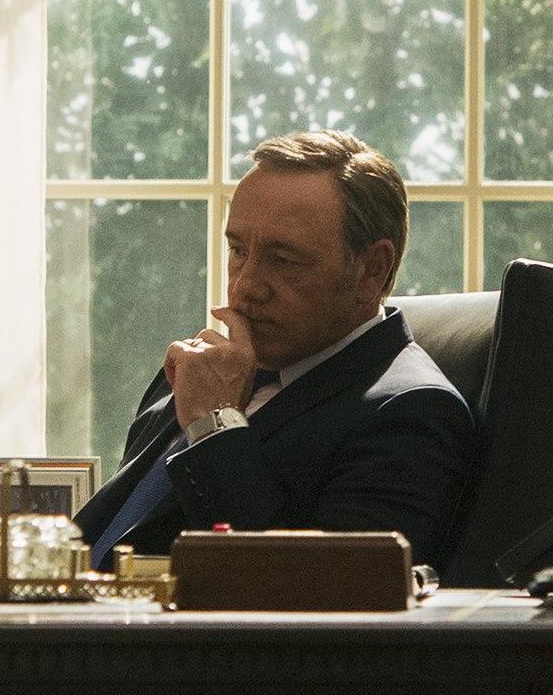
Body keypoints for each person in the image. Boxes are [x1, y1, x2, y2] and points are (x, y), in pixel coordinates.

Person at [74, 130, 474, 568]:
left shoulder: (412, 414)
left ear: (372, 270)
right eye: (238, 250)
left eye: (283, 260)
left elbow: (310, 589)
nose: (245, 286)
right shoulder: (203, 371)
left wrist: (215, 428)